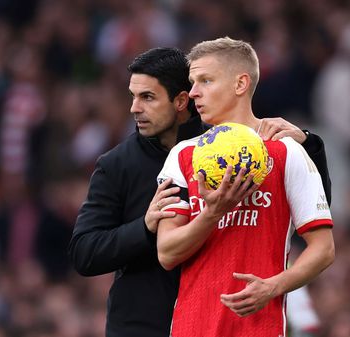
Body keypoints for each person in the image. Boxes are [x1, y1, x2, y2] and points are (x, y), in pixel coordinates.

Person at [68, 47, 332, 337]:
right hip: (144, 323)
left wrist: (308, 146)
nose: (134, 108)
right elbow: (85, 252)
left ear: (180, 101)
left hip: (235, 318)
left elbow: (310, 215)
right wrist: (145, 227)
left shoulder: (238, 150)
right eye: (133, 96)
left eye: (147, 97)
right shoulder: (123, 164)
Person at [156, 37, 335, 337]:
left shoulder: (285, 151)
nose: (193, 93)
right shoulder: (182, 155)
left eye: (206, 80)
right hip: (191, 328)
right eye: (193, 82)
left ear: (240, 84)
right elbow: (167, 252)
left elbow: (324, 249)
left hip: (259, 328)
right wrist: (211, 214)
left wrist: (274, 286)